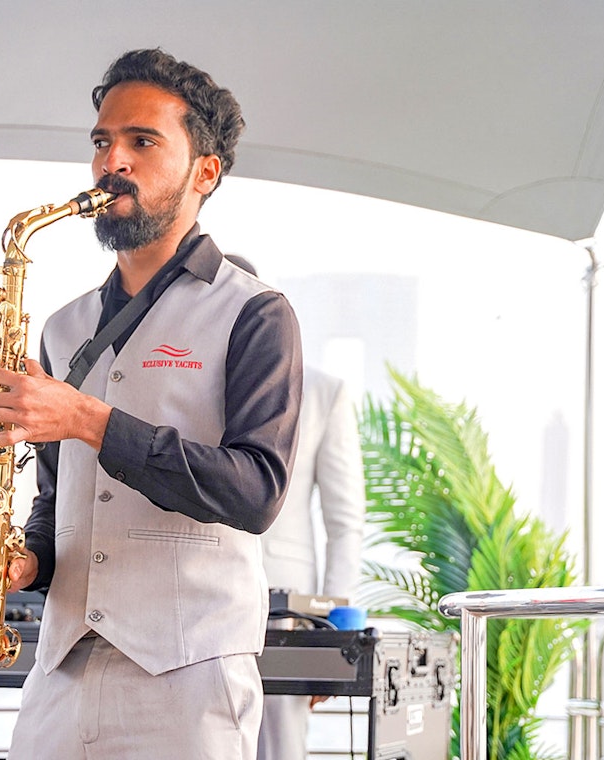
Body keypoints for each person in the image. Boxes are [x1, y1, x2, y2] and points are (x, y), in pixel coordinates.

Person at [0, 49, 304, 759]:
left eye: (142, 142)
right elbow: (59, 497)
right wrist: (27, 560)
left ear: (205, 172)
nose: (110, 161)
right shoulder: (63, 325)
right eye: (101, 142)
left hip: (190, 680)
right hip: (59, 673)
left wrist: (88, 419)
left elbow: (256, 492)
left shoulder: (256, 314)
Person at [223, 255, 366, 760]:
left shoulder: (325, 392)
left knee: (280, 748)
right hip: (194, 598)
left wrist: (336, 626)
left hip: (287, 610)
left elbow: (345, 523)